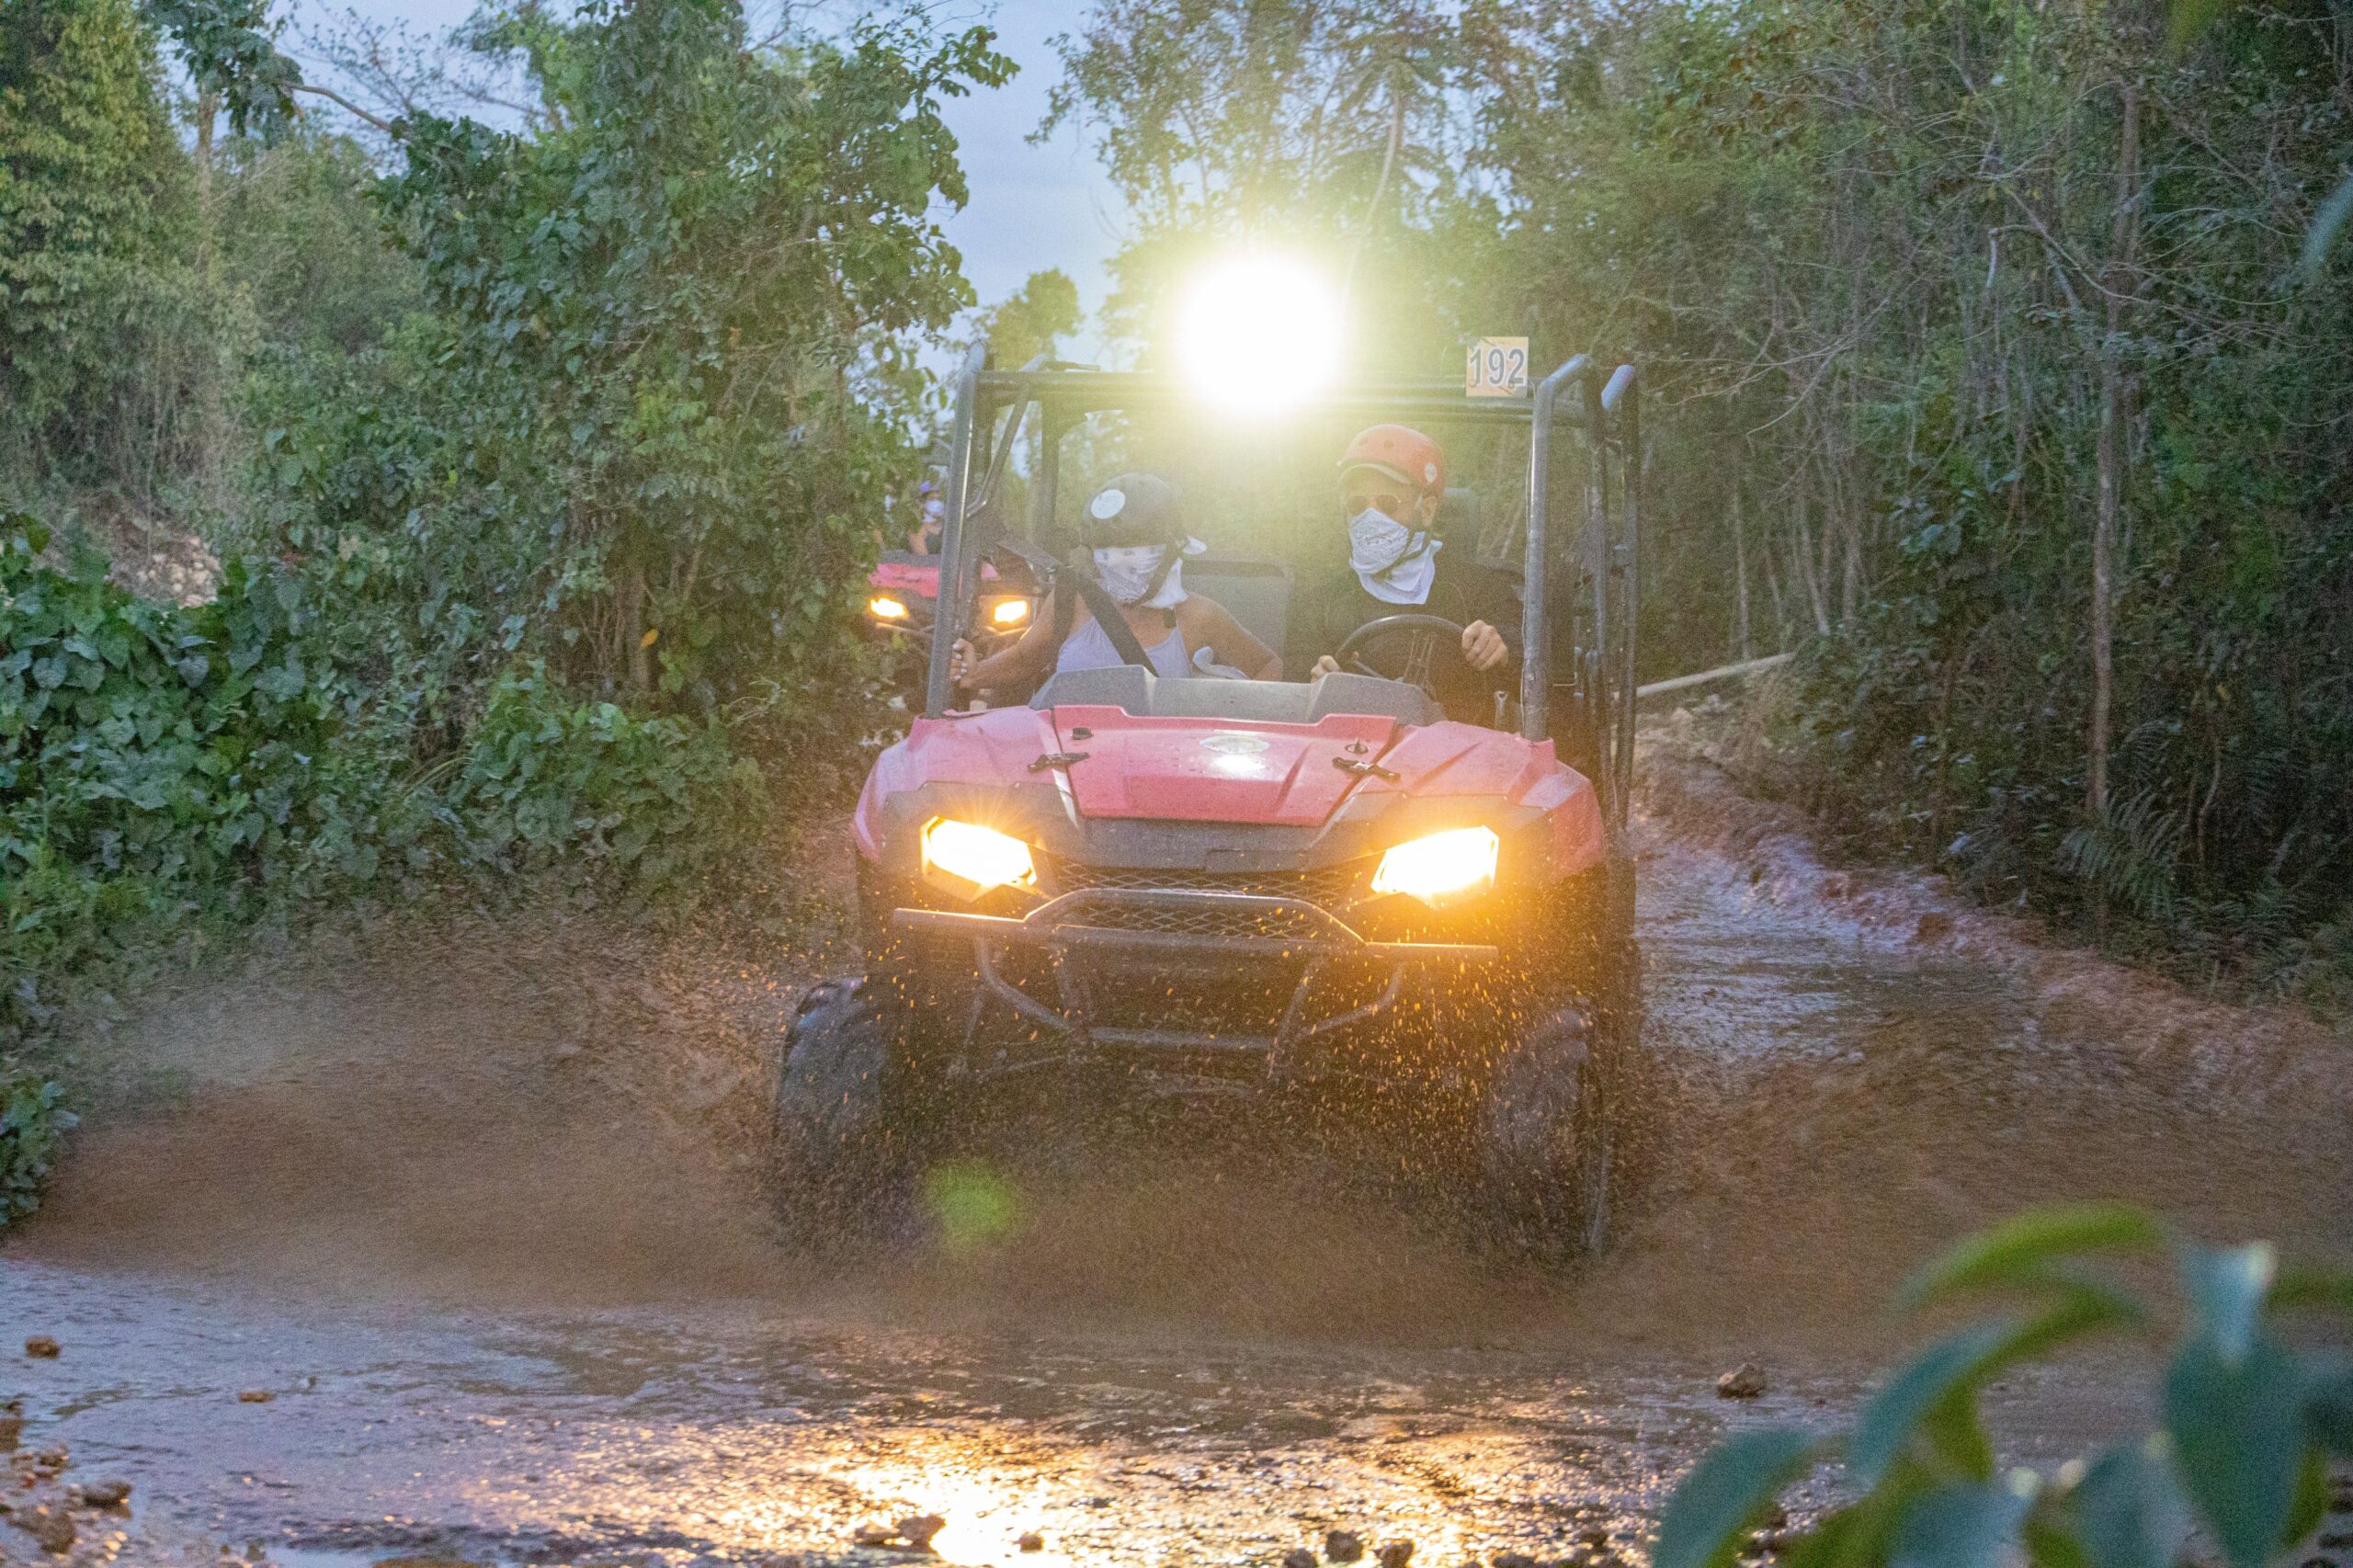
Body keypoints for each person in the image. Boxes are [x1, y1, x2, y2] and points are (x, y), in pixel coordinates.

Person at [949, 472, 1280, 693]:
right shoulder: (1071, 603)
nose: (1120, 563)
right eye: (1107, 552)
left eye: (1135, 551)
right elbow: (1024, 659)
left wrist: (1228, 725)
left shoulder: (1200, 618)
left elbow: (1268, 666)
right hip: (1073, 767)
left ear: (1171, 549)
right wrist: (973, 673)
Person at [1290, 424, 1521, 721]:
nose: (1370, 517)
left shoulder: (1482, 590)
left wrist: (1500, 652)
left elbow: (1529, 672)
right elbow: (1293, 690)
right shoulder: (1319, 600)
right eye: (1357, 504)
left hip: (1460, 756)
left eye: (1387, 504)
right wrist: (1313, 682)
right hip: (1350, 754)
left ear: (1426, 511)